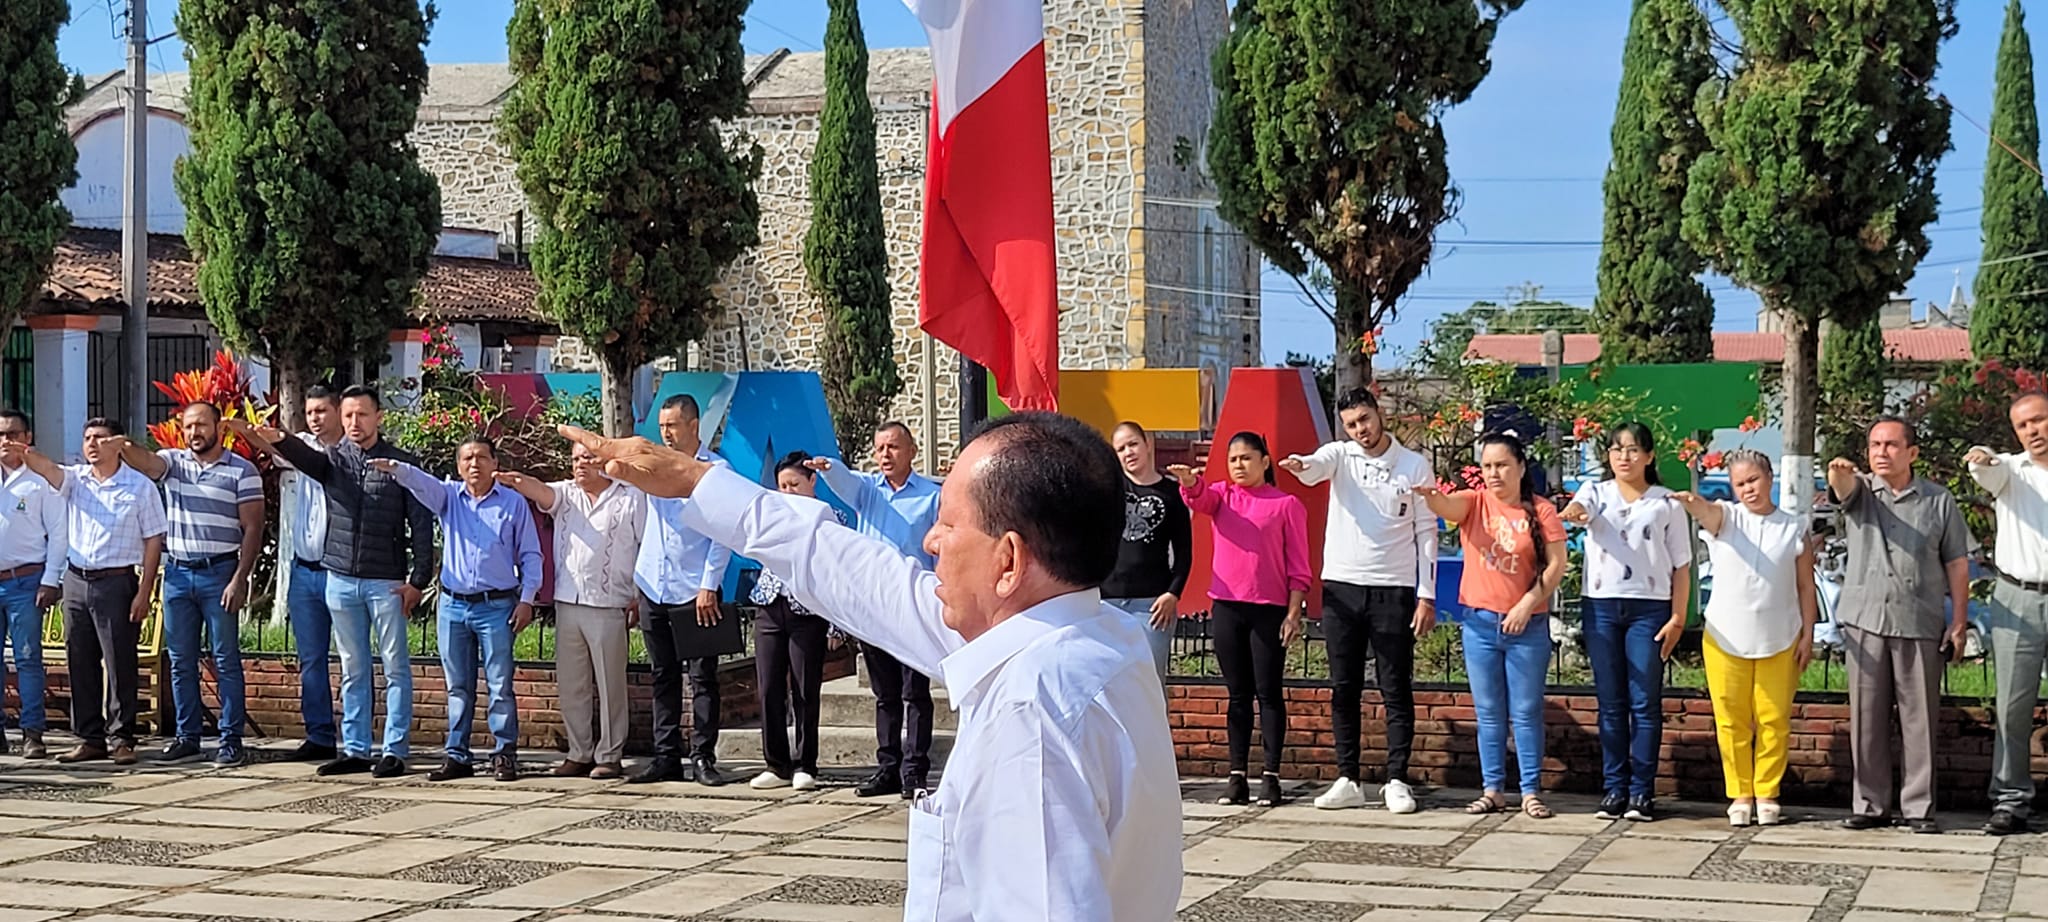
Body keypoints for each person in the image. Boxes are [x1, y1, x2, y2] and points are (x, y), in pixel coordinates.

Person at [560, 412, 1180, 921]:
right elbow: (866, 579)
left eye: (948, 524)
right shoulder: (1093, 639)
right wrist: (697, 481)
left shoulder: (1033, 712)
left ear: (1009, 561)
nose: (930, 543)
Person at [225, 388, 437, 779]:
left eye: (363, 415)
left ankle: (394, 749)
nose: (356, 423)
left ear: (379, 418)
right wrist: (277, 438)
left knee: (395, 668)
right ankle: (355, 747)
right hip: (340, 579)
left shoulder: (402, 465)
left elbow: (421, 526)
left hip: (385, 582)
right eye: (351, 415)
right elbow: (302, 458)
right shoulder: (333, 461)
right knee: (353, 668)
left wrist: (417, 581)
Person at [1278, 388, 1437, 813]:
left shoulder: (1414, 465)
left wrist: (1427, 595)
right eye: (1351, 424)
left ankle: (1397, 779)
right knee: (1343, 687)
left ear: (1379, 414)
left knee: (1395, 687)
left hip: (1395, 588)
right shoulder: (1341, 456)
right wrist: (1301, 465)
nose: (1360, 430)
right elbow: (1315, 467)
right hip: (1342, 587)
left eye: (1365, 419)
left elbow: (1427, 531)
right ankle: (1348, 777)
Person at [1826, 416, 1972, 834]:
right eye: (1874, 445)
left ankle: (1919, 807)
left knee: (1919, 720)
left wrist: (1958, 621)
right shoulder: (1861, 492)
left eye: (1890, 445)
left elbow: (1957, 563)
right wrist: (1837, 475)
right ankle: (1869, 804)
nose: (1881, 453)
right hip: (1865, 619)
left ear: (1912, 452)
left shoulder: (1938, 501)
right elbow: (1842, 491)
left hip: (1918, 620)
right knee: (1866, 717)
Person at [1415, 431, 1568, 820]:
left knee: (1527, 709)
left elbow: (1556, 566)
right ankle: (1493, 788)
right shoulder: (1475, 503)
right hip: (1480, 624)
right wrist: (1430, 495)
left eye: (1502, 465)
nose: (1494, 473)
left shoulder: (1540, 510)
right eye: (1487, 466)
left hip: (1527, 627)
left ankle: (1531, 790)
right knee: (1488, 711)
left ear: (1520, 467)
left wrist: (1528, 603)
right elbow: (1447, 506)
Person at [371, 439, 542, 783]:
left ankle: (504, 753)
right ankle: (457, 755)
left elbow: (531, 555)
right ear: (459, 464)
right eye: (467, 458)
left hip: (497, 605)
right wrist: (398, 469)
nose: (474, 464)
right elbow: (423, 483)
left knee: (499, 684)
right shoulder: (449, 497)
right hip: (453, 605)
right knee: (458, 687)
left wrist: (528, 598)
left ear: (494, 462)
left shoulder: (513, 503)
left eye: (481, 457)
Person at [114, 402, 265, 767]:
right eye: (187, 427)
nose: (194, 433)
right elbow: (148, 463)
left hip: (220, 573)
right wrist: (121, 444)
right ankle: (187, 737)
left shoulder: (241, 471)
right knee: (181, 661)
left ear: (218, 428)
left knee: (226, 659)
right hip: (179, 574)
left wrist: (239, 578)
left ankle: (231, 740)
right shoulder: (174, 464)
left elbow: (253, 528)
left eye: (201, 425)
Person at [1670, 450, 1815, 827]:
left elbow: (1805, 585)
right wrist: (1694, 504)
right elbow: (1707, 514)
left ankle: (1767, 792)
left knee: (1773, 718)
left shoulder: (1794, 526)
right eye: (1740, 483)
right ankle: (1740, 793)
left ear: (1769, 478)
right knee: (1731, 720)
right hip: (1725, 637)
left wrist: (1808, 634)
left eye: (1754, 480)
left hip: (1781, 635)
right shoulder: (1727, 517)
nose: (1748, 489)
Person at [1558, 422, 1692, 822]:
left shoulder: (1666, 503)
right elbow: (1580, 511)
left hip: (1649, 608)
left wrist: (1678, 618)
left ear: (1649, 456)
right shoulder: (1596, 492)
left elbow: (1682, 567)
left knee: (1644, 702)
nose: (1625, 457)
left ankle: (1642, 792)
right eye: (1617, 449)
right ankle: (1614, 789)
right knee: (1610, 703)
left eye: (1633, 449)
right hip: (1601, 606)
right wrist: (1575, 513)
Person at [1170, 431, 1310, 808]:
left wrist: (1294, 611)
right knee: (1237, 696)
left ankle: (1271, 777)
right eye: (1233, 460)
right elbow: (1201, 498)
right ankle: (1236, 777)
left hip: (1269, 610)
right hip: (1228, 607)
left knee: (1268, 693)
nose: (1239, 466)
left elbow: (1299, 565)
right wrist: (1189, 482)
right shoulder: (1224, 497)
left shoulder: (1286, 505)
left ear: (1265, 461)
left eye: (1247, 458)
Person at [19, 419, 165, 766]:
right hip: (76, 580)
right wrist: (22, 451)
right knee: (80, 660)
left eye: (100, 438)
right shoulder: (76, 480)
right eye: (87, 438)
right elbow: (48, 469)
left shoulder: (139, 487)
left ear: (117, 444)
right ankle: (89, 737)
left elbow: (154, 539)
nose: (92, 445)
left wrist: (144, 591)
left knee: (119, 662)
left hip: (116, 581)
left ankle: (123, 738)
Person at [496, 443, 647, 780]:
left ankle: (609, 754)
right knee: (572, 683)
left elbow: (644, 545)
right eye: (576, 458)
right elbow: (542, 492)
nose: (581, 464)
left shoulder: (630, 497)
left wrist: (638, 594)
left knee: (610, 685)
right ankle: (579, 753)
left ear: (605, 461)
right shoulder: (566, 494)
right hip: (569, 601)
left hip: (610, 602)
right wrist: (517, 481)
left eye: (588, 458)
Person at [809, 421, 942, 798]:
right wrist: (829, 467)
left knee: (914, 693)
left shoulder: (931, 497)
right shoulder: (868, 491)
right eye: (880, 447)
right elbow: (844, 481)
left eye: (893, 447)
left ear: (912, 451)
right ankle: (888, 766)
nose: (885, 455)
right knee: (884, 694)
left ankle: (914, 770)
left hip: (913, 605)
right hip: (875, 607)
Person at [630, 394, 734, 786]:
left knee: (703, 677)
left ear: (693, 426)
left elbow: (722, 533)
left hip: (695, 589)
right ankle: (665, 756)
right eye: (662, 427)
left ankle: (703, 757)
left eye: (673, 426)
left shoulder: (716, 471)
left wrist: (710, 585)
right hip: (654, 584)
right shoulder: (653, 468)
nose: (666, 434)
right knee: (663, 675)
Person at [1966, 392, 2048, 836]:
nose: (2033, 430)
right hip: (2018, 597)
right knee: (2013, 706)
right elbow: (1986, 468)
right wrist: (1982, 457)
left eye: (2039, 420)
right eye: (2023, 425)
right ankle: (2011, 799)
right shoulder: (2010, 472)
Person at [746, 451, 843, 791]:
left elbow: (837, 576)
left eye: (795, 484)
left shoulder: (831, 518)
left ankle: (805, 763)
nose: (788, 491)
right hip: (770, 606)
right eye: (782, 486)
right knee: (769, 686)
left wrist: (836, 626)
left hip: (808, 612)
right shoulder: (772, 516)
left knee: (805, 688)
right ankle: (775, 763)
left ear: (812, 482)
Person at [273, 385, 346, 760]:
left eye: (322, 411)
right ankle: (319, 735)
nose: (315, 418)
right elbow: (275, 448)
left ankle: (356, 736)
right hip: (304, 572)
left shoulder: (351, 451)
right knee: (311, 658)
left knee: (351, 657)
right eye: (310, 412)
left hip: (342, 572)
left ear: (338, 411)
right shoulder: (300, 446)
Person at [1103, 421, 1192, 684]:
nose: (1128, 452)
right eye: (1120, 449)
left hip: (1151, 606)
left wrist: (1172, 593)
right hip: (1107, 603)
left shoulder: (1172, 493)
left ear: (1147, 444)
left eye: (1133, 444)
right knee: (1110, 682)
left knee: (1150, 683)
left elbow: (1184, 551)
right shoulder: (1109, 490)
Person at [0, 409, 65, 760]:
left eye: (12, 434)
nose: (5, 441)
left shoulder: (40, 481)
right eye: (0, 435)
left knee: (27, 658)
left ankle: (32, 732)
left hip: (26, 581)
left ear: (27, 438)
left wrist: (50, 579)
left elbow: (58, 533)